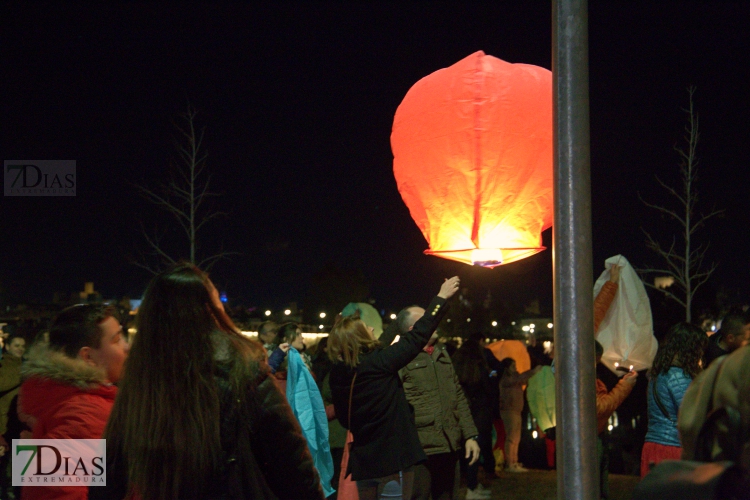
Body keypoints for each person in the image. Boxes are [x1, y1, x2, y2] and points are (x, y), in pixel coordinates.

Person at [93, 263, 324, 500]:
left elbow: (107, 478)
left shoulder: (140, 384)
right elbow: (292, 464)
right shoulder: (243, 372)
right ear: (210, 311)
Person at [328, 276, 459, 500]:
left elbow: (343, 419)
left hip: (364, 461)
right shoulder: (379, 363)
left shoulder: (339, 372)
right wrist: (440, 299)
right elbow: (416, 337)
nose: (371, 327)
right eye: (366, 328)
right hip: (392, 461)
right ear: (360, 337)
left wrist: (398, 323)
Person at [18, 304, 129, 500]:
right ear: (88, 356)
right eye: (117, 340)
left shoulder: (60, 396)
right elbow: (51, 494)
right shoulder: (83, 412)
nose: (127, 347)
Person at [395, 305, 480, 500]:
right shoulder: (400, 357)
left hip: (449, 445)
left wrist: (470, 435)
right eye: (425, 318)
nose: (432, 320)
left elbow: (457, 395)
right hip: (419, 450)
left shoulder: (441, 354)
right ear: (411, 329)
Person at [640, 322, 708, 477]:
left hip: (653, 445)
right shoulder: (678, 376)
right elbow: (692, 414)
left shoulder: (658, 373)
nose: (701, 354)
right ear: (690, 348)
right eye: (700, 348)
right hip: (671, 448)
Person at [452, 333, 496, 499]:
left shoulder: (456, 366)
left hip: (463, 411)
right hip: (479, 413)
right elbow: (488, 389)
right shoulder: (479, 367)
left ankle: (471, 484)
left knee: (465, 449)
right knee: (474, 451)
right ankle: (471, 487)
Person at [0, 333, 25, 497]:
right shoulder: (7, 365)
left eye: (23, 346)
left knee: (19, 466)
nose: (21, 349)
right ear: (8, 347)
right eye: (17, 345)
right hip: (4, 423)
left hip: (20, 423)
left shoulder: (23, 365)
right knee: (5, 466)